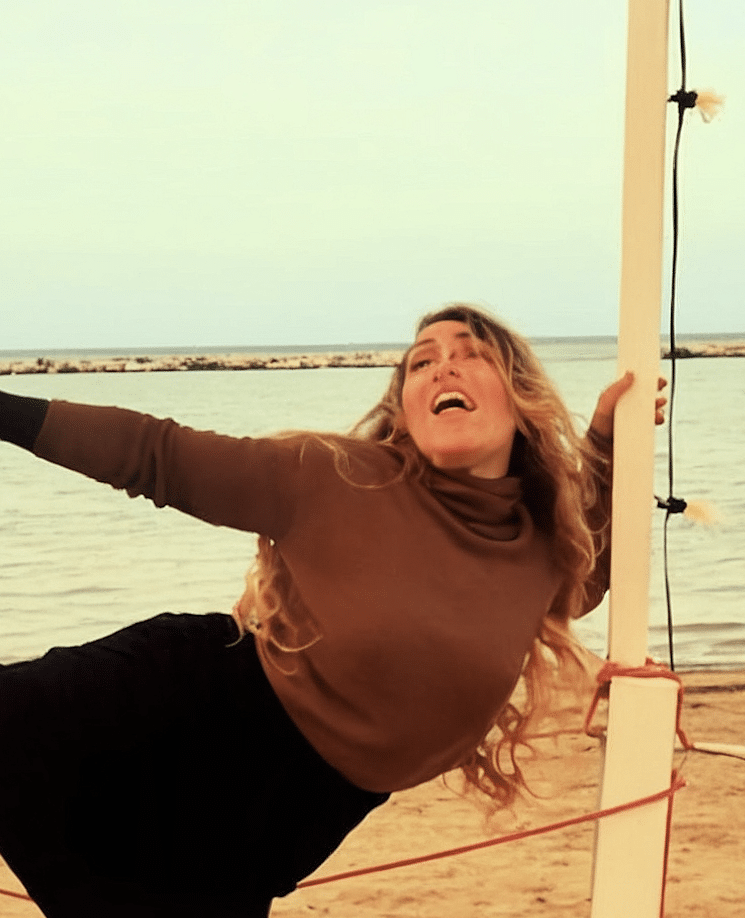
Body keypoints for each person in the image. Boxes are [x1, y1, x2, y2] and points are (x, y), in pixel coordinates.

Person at [0, 304, 664, 918]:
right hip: (186, 707)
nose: (443, 367)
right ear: (405, 410)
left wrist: (607, 442)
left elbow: (592, 572)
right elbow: (155, 454)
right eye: (421, 361)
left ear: (521, 398)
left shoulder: (544, 548)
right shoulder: (335, 476)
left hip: (284, 819)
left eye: (471, 353)